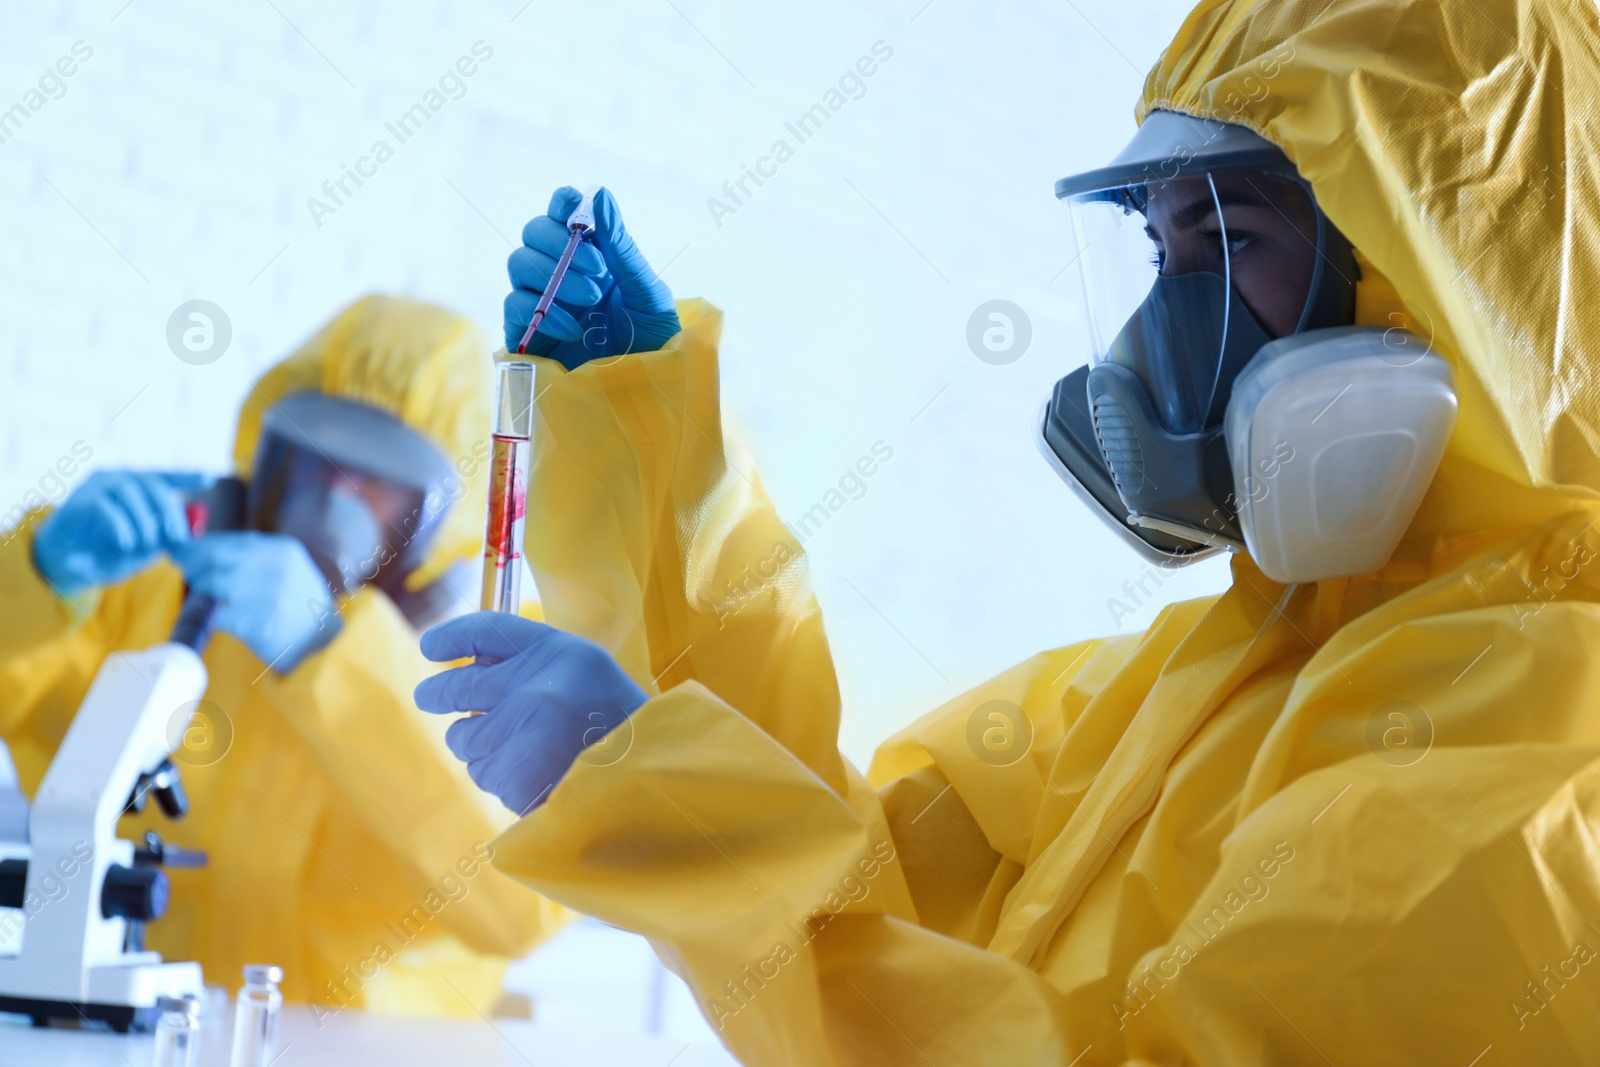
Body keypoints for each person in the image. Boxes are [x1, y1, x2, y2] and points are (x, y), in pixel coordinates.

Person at [417, 0, 1600, 1061]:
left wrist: (670, 807)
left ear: (1440, 274)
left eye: (1229, 240)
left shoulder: (1533, 777)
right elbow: (870, 888)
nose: (1161, 327)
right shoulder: (1197, 684)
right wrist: (651, 450)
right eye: (1160, 245)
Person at [0, 295, 565, 1017]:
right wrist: (39, 579)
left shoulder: (501, 656)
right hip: (151, 1029)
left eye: (374, 477)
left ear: (445, 511)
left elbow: (521, 902)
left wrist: (333, 655)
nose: (334, 492)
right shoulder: (154, 596)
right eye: (314, 458)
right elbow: (36, 718)